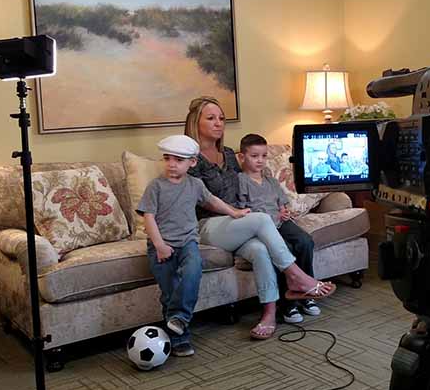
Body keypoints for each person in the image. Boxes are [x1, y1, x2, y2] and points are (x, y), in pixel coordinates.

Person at [184, 97, 336, 340]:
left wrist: (272, 207)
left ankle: (269, 313)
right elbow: (200, 198)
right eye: (211, 118)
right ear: (195, 122)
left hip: (238, 223)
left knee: (260, 251)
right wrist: (235, 212)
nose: (218, 123)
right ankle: (297, 277)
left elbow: (247, 186)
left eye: (221, 118)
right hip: (209, 225)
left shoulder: (228, 155)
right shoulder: (189, 157)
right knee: (262, 220)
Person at [137, 134, 251, 357]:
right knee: (170, 290)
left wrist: (234, 212)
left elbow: (212, 201)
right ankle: (180, 338)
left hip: (188, 242)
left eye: (178, 160)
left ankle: (179, 318)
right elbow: (148, 217)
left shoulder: (195, 184)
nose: (171, 164)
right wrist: (159, 245)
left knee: (192, 272)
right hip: (162, 246)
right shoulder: (155, 187)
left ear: (192, 162)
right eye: (167, 158)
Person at [236, 133, 321, 324]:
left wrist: (284, 211)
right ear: (242, 157)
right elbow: (242, 210)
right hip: (263, 227)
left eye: (264, 156)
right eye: (254, 156)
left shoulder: (270, 180)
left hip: (281, 223)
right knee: (285, 251)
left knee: (305, 241)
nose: (260, 161)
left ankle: (306, 293)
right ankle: (287, 304)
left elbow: (281, 202)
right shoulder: (241, 180)